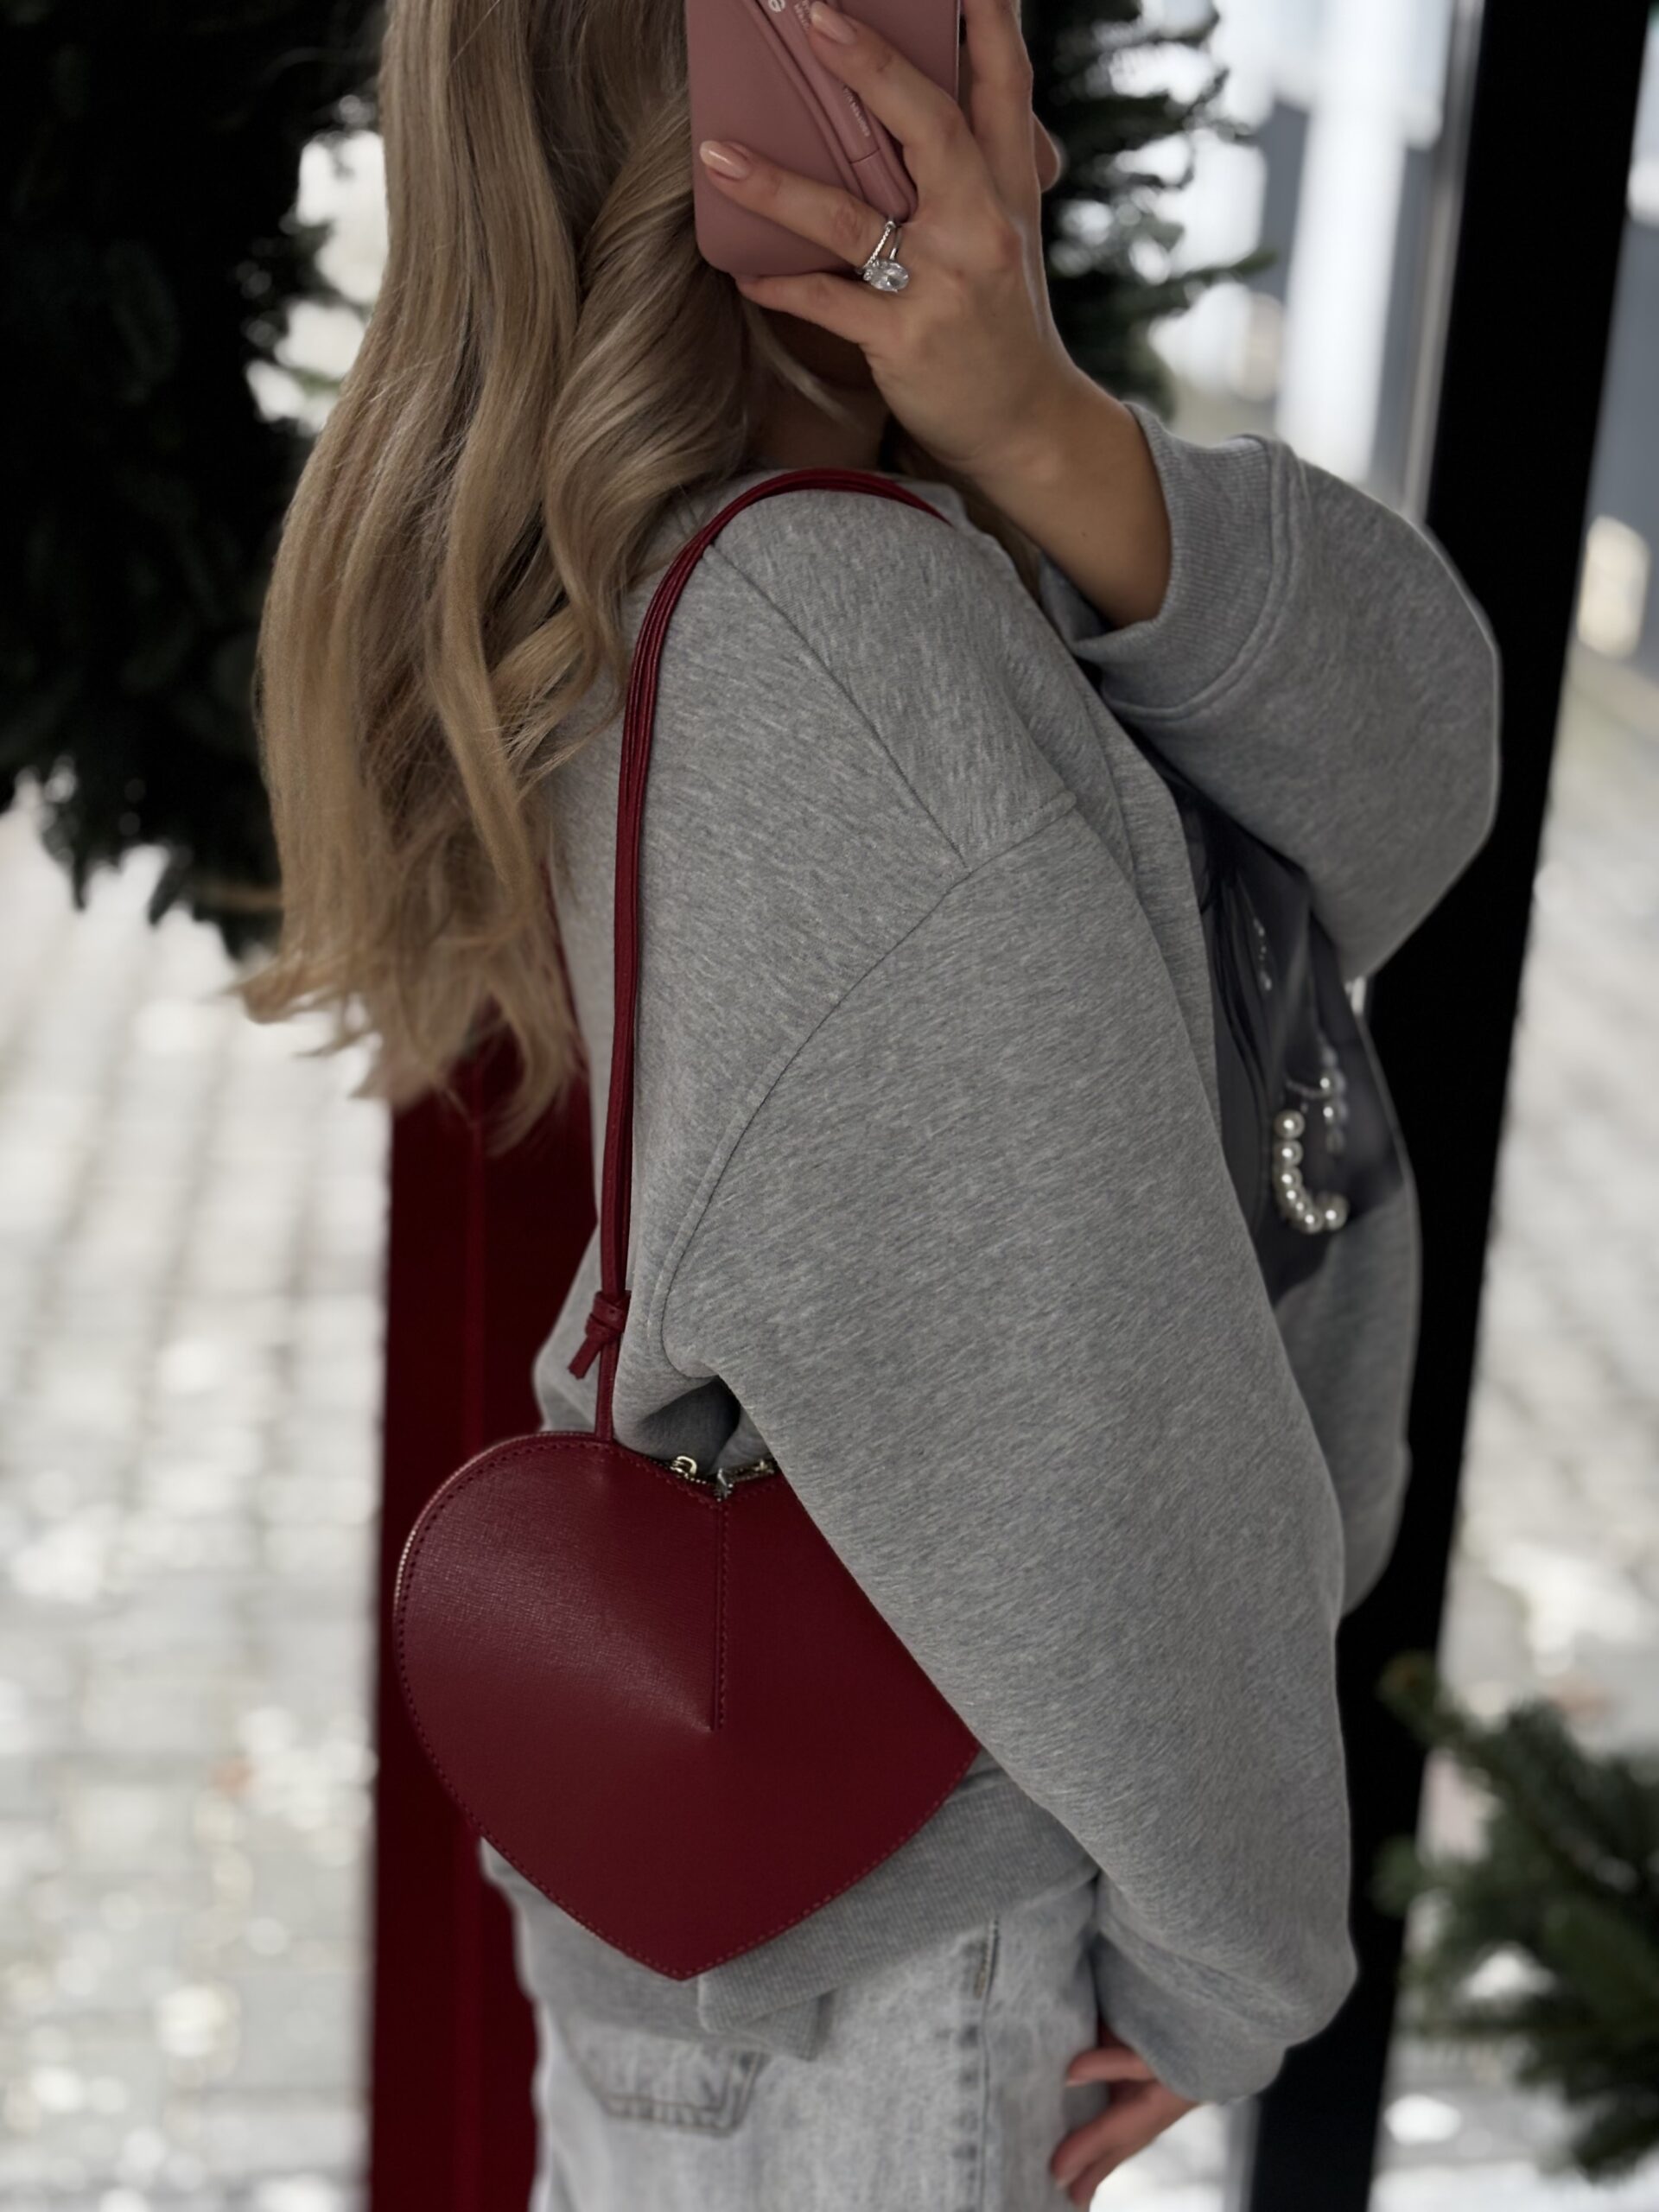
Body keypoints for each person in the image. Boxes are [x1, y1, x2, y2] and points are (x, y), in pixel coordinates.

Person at [245, 0, 1501, 2202]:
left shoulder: (869, 541)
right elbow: (1100, 1432)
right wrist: (1242, 1955)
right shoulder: (840, 642)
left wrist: (1045, 435)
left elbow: (1403, 793)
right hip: (900, 1969)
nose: (1006, 57)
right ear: (754, 85)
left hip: (831, 1970)